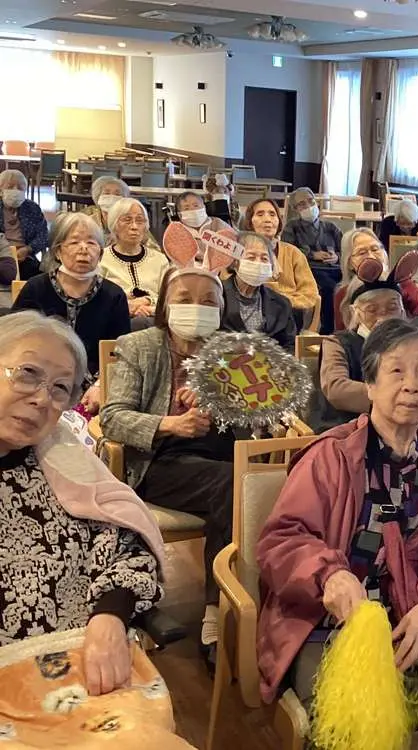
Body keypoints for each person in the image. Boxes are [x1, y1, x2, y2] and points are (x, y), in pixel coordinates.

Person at [256, 319, 418, 749]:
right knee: (351, 719)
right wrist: (330, 575)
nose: (411, 384)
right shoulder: (331, 455)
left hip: (407, 619)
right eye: (396, 371)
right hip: (327, 625)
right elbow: (283, 539)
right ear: (371, 385)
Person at [0, 311, 196, 747]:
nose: (42, 399)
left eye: (60, 389)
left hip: (86, 673)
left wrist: (110, 614)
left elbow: (128, 547)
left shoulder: (64, 462)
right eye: (28, 373)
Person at [101, 265, 236, 669]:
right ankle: (217, 612)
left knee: (252, 482)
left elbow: (257, 416)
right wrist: (171, 423)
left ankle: (254, 601)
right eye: (184, 299)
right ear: (164, 306)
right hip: (162, 460)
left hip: (222, 454)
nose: (197, 307)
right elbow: (113, 417)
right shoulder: (139, 346)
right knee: (235, 486)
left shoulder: (232, 351)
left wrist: (220, 398)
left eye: (208, 301)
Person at [13, 212, 130, 414]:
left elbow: (120, 351)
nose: (83, 249)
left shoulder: (114, 295)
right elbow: (13, 341)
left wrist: (100, 386)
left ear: (101, 254)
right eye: (74, 242)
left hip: (94, 389)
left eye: (91, 243)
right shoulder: (36, 288)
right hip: (38, 382)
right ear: (58, 251)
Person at [319, 280, 407, 427]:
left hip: (406, 427)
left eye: (392, 308)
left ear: (402, 310)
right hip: (350, 428)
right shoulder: (337, 343)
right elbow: (336, 389)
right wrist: (393, 396)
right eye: (372, 310)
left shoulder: (412, 344)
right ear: (356, 312)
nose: (383, 317)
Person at [241, 197, 320, 330]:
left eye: (272, 214)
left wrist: (282, 302)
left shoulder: (293, 253)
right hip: (249, 312)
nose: (267, 219)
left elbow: (310, 294)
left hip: (290, 315)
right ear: (250, 221)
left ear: (279, 221)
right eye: (260, 214)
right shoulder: (239, 250)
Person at [99, 198, 170, 331]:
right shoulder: (101, 259)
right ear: (114, 225)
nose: (134, 227)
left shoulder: (159, 260)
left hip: (154, 319)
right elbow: (99, 301)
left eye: (140, 221)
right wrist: (126, 306)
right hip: (115, 321)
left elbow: (169, 299)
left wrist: (148, 304)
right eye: (127, 220)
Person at [220, 231, 297, 351]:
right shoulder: (218, 295)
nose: (258, 263)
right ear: (234, 262)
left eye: (264, 259)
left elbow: (289, 345)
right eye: (251, 257)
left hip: (269, 362)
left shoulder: (282, 303)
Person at [336, 228, 418, 329]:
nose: (371, 256)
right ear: (349, 263)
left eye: (375, 249)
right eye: (362, 253)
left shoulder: (404, 283)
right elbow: (341, 332)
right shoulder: (343, 293)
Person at [282, 187, 342, 334]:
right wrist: (312, 255)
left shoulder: (330, 227)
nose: (308, 206)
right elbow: (288, 250)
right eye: (302, 204)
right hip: (310, 270)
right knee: (330, 288)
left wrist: (337, 256)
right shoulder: (292, 228)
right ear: (295, 209)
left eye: (311, 201)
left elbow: (346, 249)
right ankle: (328, 330)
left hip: (334, 268)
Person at [83, 176, 162, 254]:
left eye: (117, 194)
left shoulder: (133, 222)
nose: (112, 197)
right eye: (106, 193)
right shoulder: (88, 223)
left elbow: (155, 250)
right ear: (98, 197)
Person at [1, 169, 47, 279]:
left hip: (25, 256)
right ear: (0, 190)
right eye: (10, 187)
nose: (15, 191)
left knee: (34, 277)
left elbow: (43, 236)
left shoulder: (32, 208)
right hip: (2, 256)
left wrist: (27, 249)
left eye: (20, 188)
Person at [172, 190, 235, 260]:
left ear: (204, 208)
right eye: (186, 208)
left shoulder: (217, 223)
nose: (192, 209)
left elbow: (235, 244)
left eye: (196, 205)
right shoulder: (177, 232)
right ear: (180, 215)